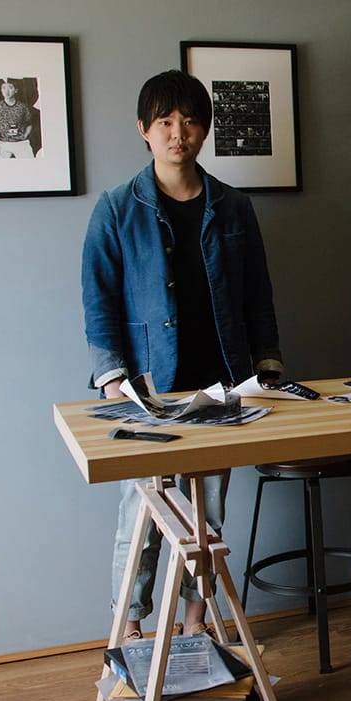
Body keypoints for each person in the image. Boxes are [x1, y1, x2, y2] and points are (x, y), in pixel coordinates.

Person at [82, 70, 284, 641]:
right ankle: (130, 630)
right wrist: (111, 378)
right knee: (140, 516)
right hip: (147, 392)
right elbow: (97, 300)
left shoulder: (234, 207)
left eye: (190, 121)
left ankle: (196, 626)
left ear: (205, 129)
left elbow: (257, 295)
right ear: (144, 130)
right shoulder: (117, 209)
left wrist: (267, 363)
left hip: (222, 385)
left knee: (209, 511)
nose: (179, 133)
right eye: (166, 122)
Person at [0, 79, 35, 158]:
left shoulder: (23, 107)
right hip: (3, 143)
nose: (6, 91)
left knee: (29, 164)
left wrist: (25, 135)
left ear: (16, 90)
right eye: (3, 88)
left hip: (21, 143)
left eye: (10, 88)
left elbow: (29, 124)